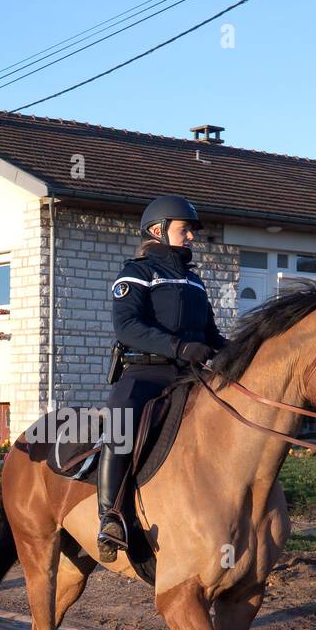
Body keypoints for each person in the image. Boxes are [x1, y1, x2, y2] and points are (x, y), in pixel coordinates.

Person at [97, 195, 227, 562]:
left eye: (190, 232)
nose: (191, 238)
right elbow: (127, 328)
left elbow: (212, 336)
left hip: (189, 375)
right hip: (144, 373)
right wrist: (180, 347)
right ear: (158, 230)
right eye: (184, 230)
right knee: (121, 424)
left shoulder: (196, 282)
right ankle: (110, 517)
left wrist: (244, 353)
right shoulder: (136, 273)